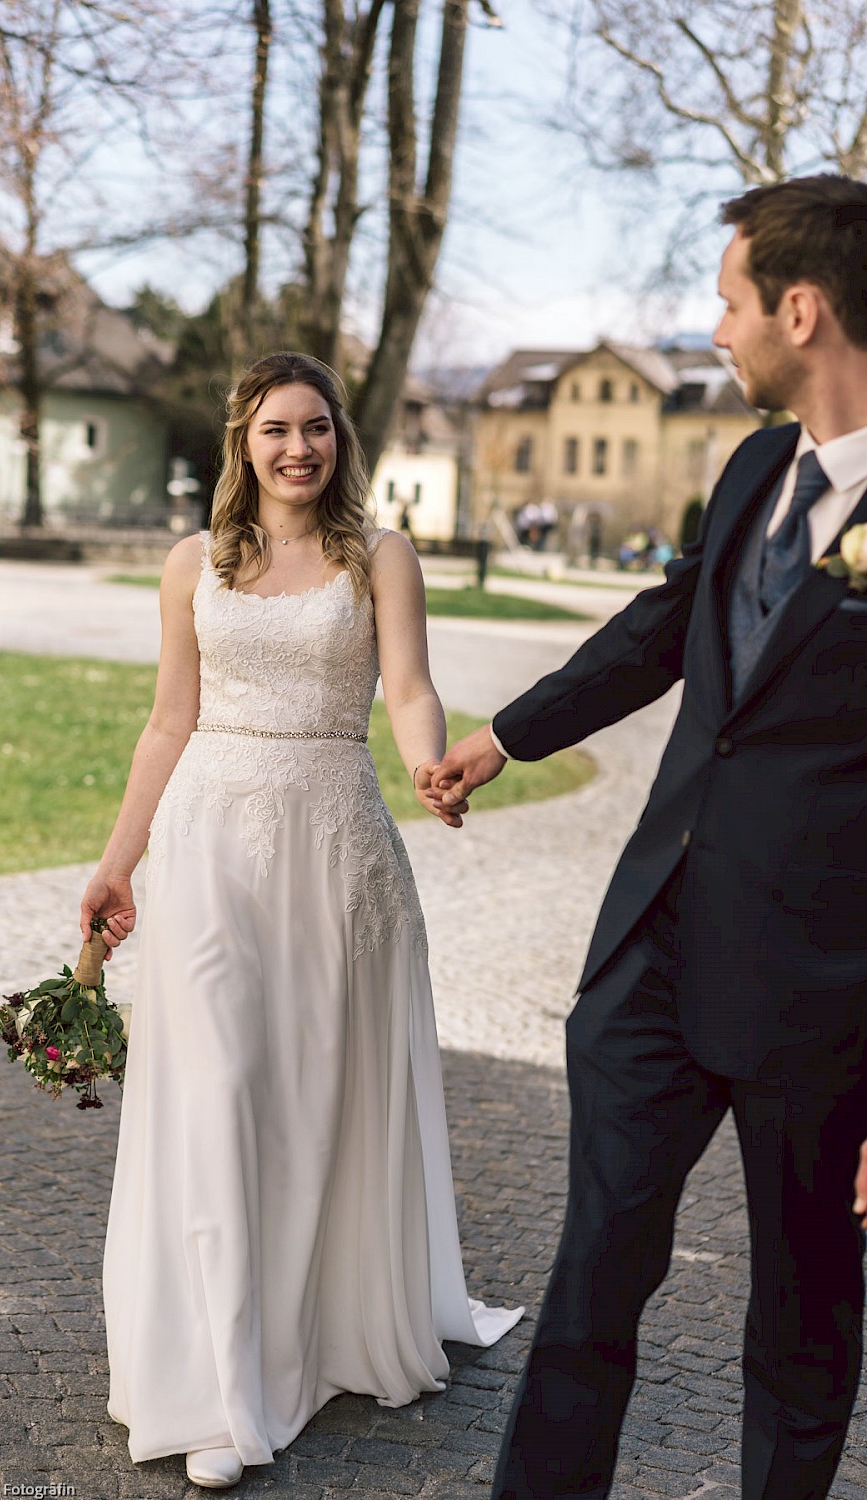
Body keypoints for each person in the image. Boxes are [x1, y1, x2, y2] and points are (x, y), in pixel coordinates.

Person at [432, 174, 867, 1500]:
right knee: (587, 1291)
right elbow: (666, 631)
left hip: (821, 1006)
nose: (715, 328)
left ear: (802, 310)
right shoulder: (749, 468)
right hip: (654, 965)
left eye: (730, 301)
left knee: (799, 1333)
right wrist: (510, 733)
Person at [80, 351, 522, 1490]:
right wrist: (117, 862)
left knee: (310, 1099)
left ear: (339, 440)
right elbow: (167, 721)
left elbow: (412, 688)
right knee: (216, 1088)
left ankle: (302, 1336)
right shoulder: (192, 564)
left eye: (316, 428)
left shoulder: (379, 556)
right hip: (206, 847)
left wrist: (432, 768)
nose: (297, 448)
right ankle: (220, 1384)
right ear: (242, 440)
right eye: (275, 428)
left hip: (334, 849)